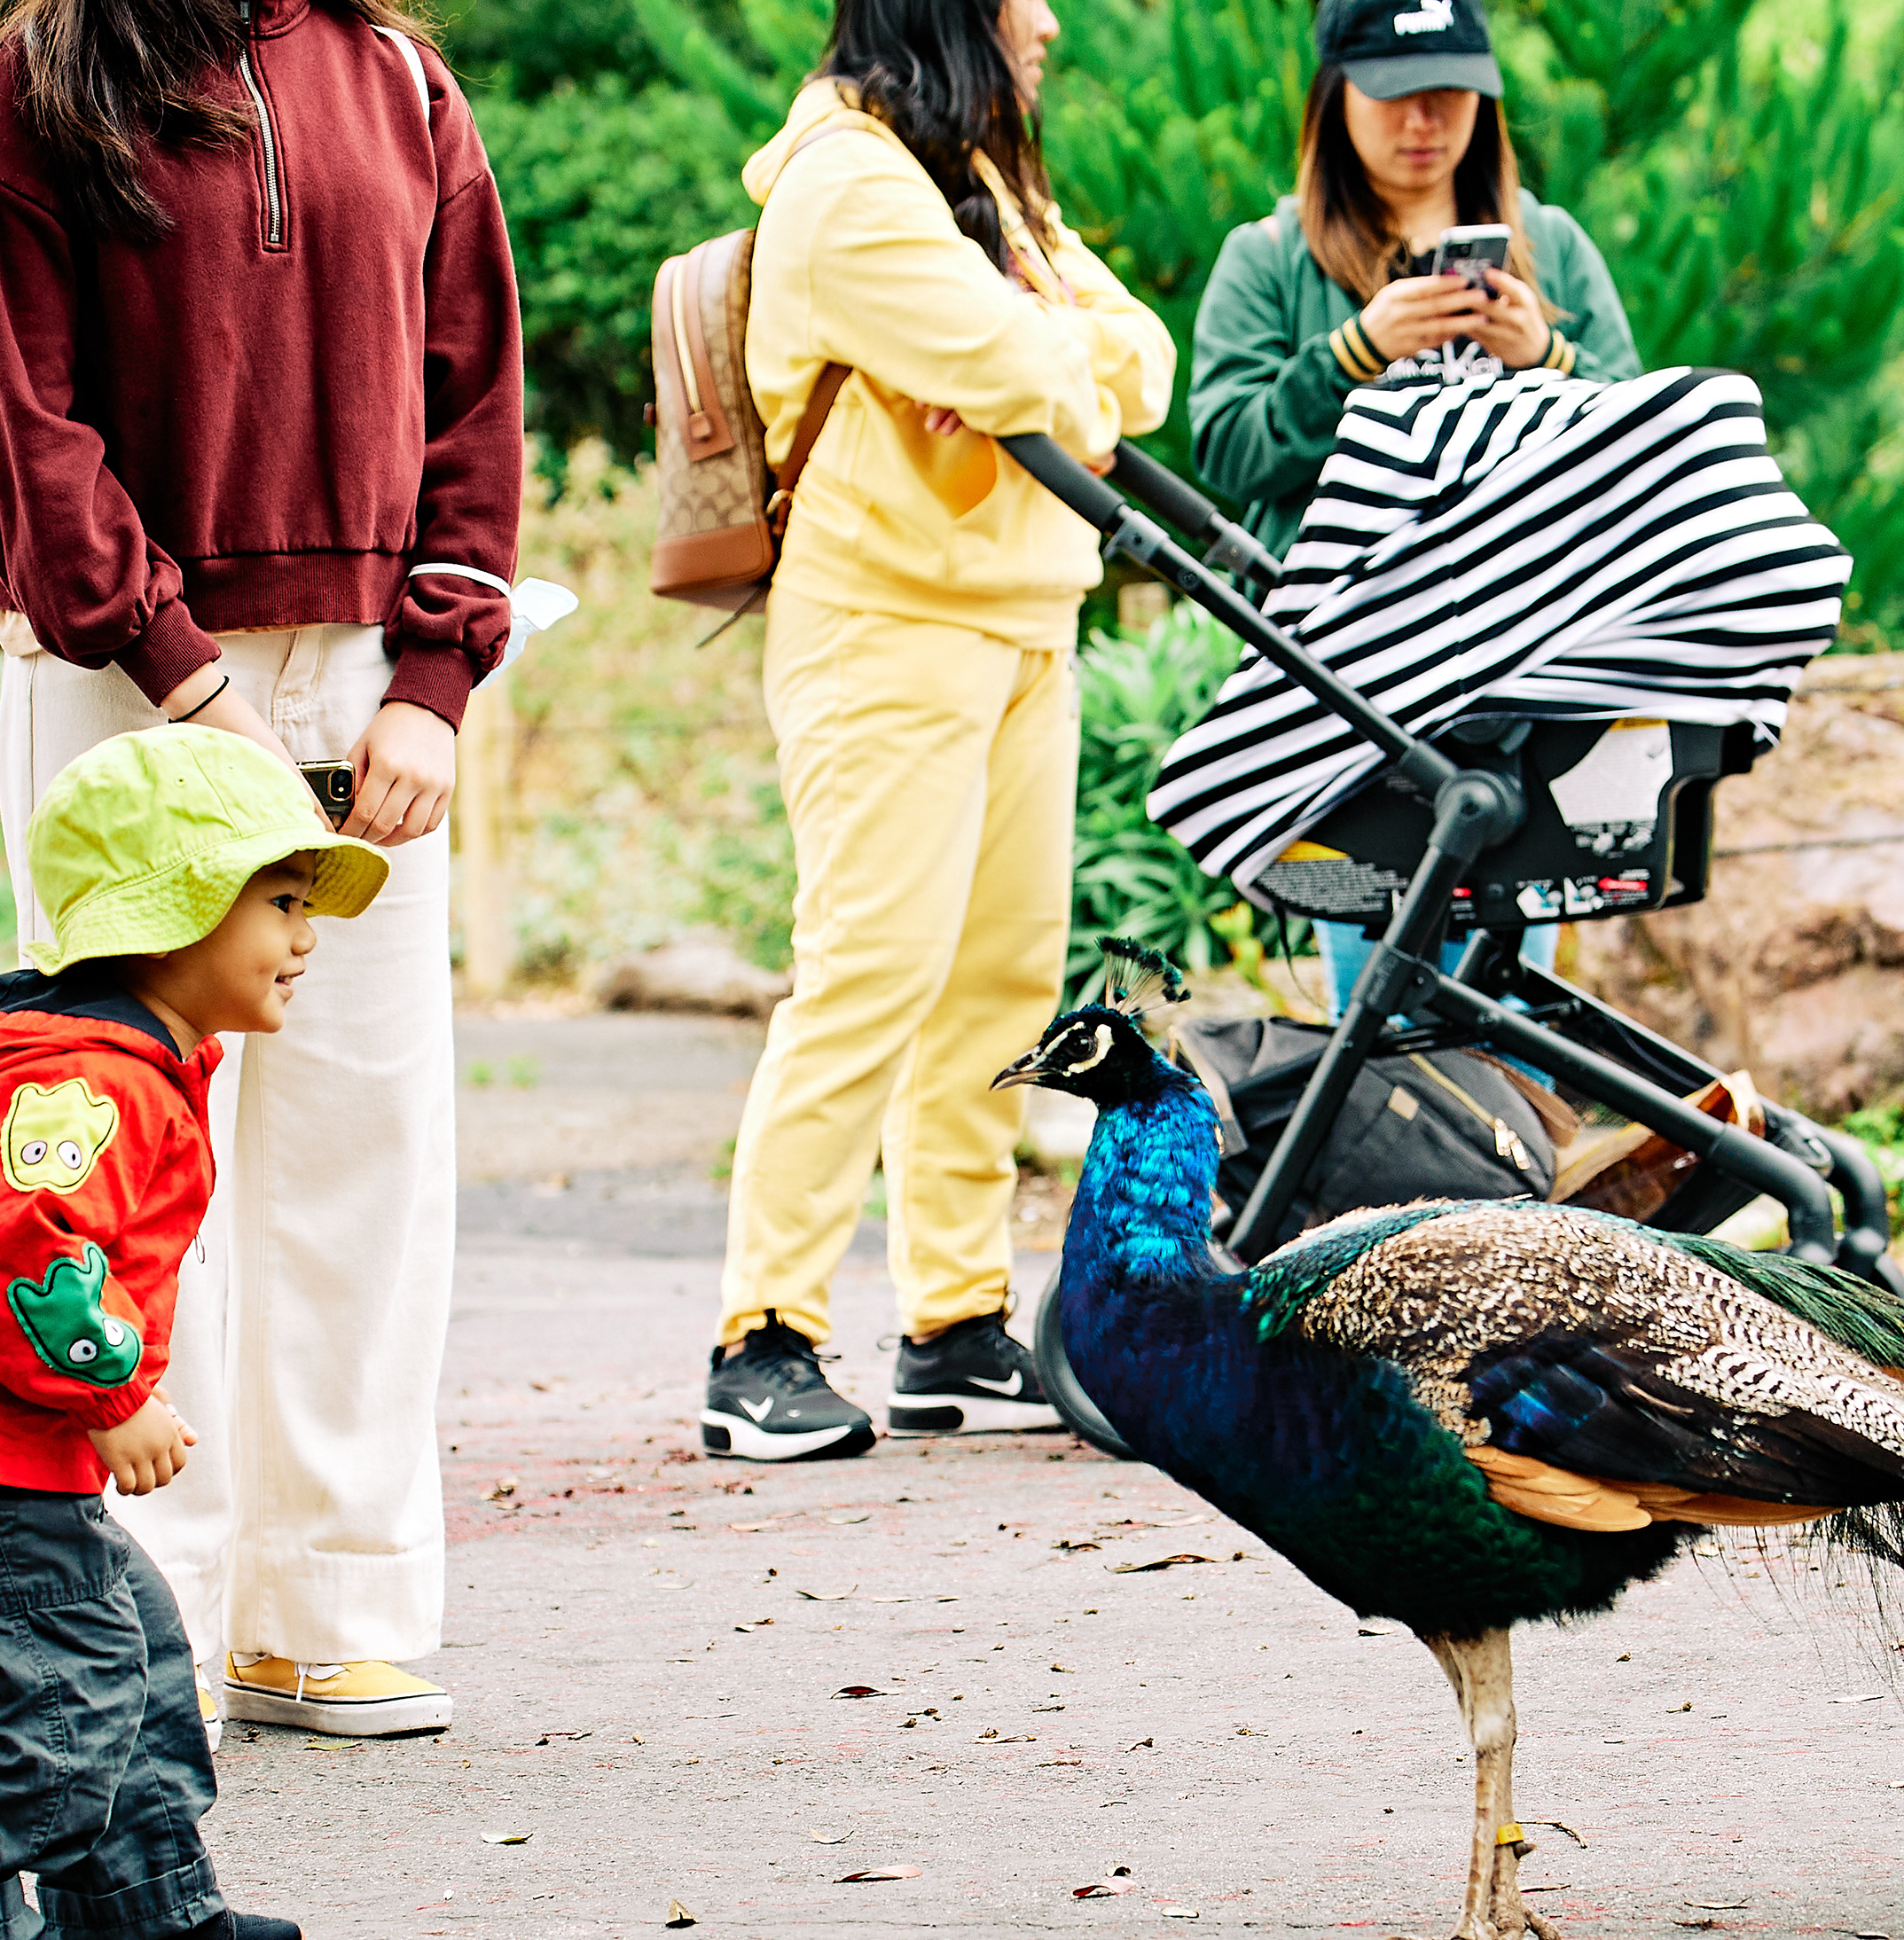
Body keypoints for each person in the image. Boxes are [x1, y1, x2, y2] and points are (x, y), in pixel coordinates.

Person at [0, 0, 524, 1737]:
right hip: (125, 684)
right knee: (124, 1148)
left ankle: (330, 1607)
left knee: (366, 1144)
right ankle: (144, 1614)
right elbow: (14, 422)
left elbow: (475, 399)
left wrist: (435, 677)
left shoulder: (400, 77)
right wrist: (188, 678)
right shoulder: (46, 71)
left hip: (364, 686)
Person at [0, 727, 385, 1940]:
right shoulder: (83, 1088)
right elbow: (30, 1258)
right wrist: (114, 1397)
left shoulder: (127, 1063)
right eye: (281, 903)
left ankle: (135, 1896)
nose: (307, 938)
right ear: (175, 914)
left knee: (141, 1650)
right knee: (67, 1677)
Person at [702, 0, 1175, 1462]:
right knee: (870, 972)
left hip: (1025, 615)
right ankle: (761, 1340)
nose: (1048, 22)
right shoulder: (849, 182)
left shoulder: (978, 178)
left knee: (999, 983)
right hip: (885, 625)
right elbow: (1029, 373)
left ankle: (954, 1322)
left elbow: (1140, 360)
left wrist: (1033, 357)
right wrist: (1038, 359)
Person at [1186, 0, 1642, 1012]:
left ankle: (1507, 1126)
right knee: (1376, 1003)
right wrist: (1355, 353)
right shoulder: (1271, 259)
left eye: (1451, 94)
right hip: (1347, 686)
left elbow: (1637, 445)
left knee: (1513, 1001)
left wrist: (1549, 358)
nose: (1424, 121)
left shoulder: (1553, 246)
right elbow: (1227, 448)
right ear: (1335, 97)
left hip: (1524, 678)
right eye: (1395, 95)